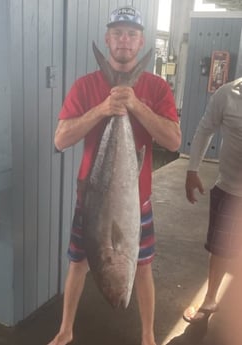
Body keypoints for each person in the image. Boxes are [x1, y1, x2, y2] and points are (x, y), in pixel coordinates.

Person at [48, 6, 181, 345]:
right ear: (108, 39)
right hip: (92, 197)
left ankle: (149, 336)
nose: (124, 40)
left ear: (141, 42)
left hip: (137, 200)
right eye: (118, 33)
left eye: (132, 34)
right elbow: (61, 140)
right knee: (78, 263)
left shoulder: (157, 88)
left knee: (144, 267)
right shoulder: (85, 86)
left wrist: (136, 105)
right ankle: (65, 331)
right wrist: (103, 109)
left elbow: (174, 141)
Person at [183, 77, 242, 323]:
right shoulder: (227, 94)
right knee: (219, 249)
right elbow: (205, 128)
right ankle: (210, 298)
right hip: (230, 190)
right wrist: (192, 169)